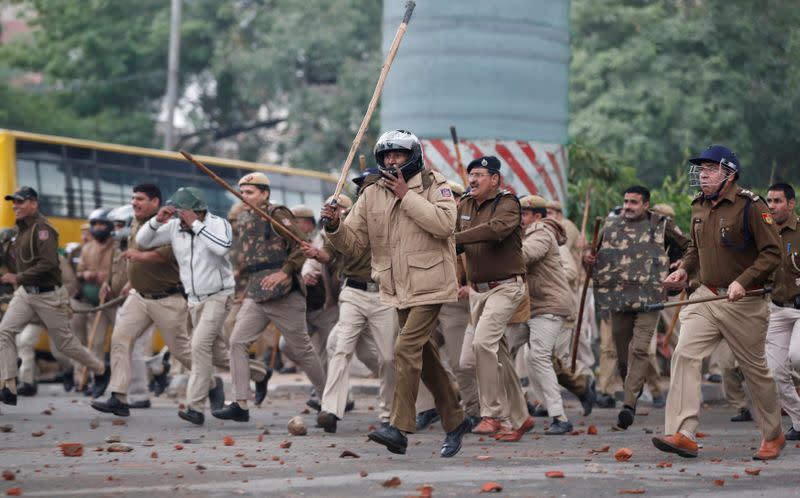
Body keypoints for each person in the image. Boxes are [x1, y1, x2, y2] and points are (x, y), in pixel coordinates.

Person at [320, 129, 471, 457]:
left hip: (430, 284)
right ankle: (456, 419)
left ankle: (399, 428)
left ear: (413, 155)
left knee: (404, 349)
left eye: (398, 154)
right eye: (387, 155)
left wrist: (406, 194)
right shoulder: (371, 191)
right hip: (396, 286)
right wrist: (334, 226)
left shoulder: (434, 183)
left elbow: (446, 225)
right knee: (425, 356)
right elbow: (355, 243)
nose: (391, 160)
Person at [653, 145, 784, 460]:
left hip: (745, 300)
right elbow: (696, 249)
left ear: (729, 174)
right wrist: (683, 269)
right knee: (684, 354)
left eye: (710, 169)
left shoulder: (751, 206)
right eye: (701, 169)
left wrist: (743, 280)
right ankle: (683, 433)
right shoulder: (699, 206)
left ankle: (773, 434)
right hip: (705, 295)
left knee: (756, 371)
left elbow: (772, 253)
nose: (702, 174)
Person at [213, 172, 323, 423]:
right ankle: (241, 403)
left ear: (265, 193)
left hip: (285, 293)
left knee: (302, 349)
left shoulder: (277, 214)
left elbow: (301, 245)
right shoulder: (244, 217)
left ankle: (331, 399)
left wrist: (285, 273)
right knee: (237, 342)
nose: (244, 196)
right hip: (256, 290)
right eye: (242, 191)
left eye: (250, 192)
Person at [91, 184, 202, 418]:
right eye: (133, 198)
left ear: (155, 202)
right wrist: (132, 281)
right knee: (120, 339)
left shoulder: (170, 222)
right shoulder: (134, 221)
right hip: (139, 297)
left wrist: (140, 256)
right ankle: (118, 396)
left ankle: (210, 382)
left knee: (181, 351)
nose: (134, 202)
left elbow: (168, 255)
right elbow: (132, 255)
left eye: (140, 199)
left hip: (167, 299)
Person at [586, 186, 689, 430]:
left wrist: (680, 264)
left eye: (634, 202)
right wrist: (586, 260)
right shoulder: (610, 226)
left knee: (641, 349)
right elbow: (593, 257)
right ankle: (632, 383)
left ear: (646, 205)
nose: (628, 206)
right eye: (626, 201)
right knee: (622, 355)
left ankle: (629, 404)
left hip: (650, 297)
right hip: (618, 298)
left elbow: (688, 247)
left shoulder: (662, 224)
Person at [0, 187, 109, 406]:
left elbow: (48, 264)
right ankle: (9, 385)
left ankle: (100, 369)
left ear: (34, 204)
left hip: (48, 295)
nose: (15, 206)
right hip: (25, 293)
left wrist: (18, 276)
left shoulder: (44, 230)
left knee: (65, 345)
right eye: (14, 202)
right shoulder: (19, 230)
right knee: (5, 332)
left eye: (20, 202)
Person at [135, 187, 235, 425]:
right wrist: (157, 221)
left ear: (196, 211)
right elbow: (142, 242)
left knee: (198, 346)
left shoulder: (218, 224)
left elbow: (222, 248)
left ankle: (195, 407)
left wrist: (197, 227)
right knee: (220, 355)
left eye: (182, 211)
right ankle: (260, 374)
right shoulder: (173, 228)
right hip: (194, 300)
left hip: (219, 296)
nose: (178, 216)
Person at [302, 190, 398, 433]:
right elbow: (327, 254)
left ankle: (392, 411)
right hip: (353, 293)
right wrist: (316, 253)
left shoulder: (391, 219)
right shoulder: (339, 227)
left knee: (386, 358)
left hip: (384, 295)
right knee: (339, 347)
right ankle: (331, 409)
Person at [454, 156, 533, 442]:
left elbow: (495, 230)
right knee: (498, 355)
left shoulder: (508, 203)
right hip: (478, 291)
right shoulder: (463, 205)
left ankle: (492, 413)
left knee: (481, 343)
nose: (472, 179)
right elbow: (453, 244)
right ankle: (521, 418)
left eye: (479, 174)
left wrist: (458, 237)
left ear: (495, 179)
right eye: (470, 174)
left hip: (506, 288)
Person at [519, 195, 589, 434]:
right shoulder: (525, 232)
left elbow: (524, 255)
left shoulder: (541, 232)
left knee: (539, 356)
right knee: (505, 349)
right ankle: (512, 411)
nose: (519, 218)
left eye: (524, 214)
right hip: (532, 306)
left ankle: (560, 416)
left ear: (537, 216)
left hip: (550, 305)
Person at [764, 182, 800, 441]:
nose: (772, 206)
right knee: (775, 373)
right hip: (776, 309)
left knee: (796, 358)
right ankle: (799, 422)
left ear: (791, 203)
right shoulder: (763, 232)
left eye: (777, 201)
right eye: (769, 201)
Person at [71, 208, 117, 396]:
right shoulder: (87, 248)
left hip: (115, 301)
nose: (98, 228)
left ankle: (121, 385)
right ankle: (96, 381)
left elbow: (123, 270)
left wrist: (106, 277)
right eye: (95, 224)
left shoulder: (117, 247)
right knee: (95, 343)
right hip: (96, 303)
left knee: (122, 342)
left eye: (102, 224)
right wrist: (86, 274)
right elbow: (79, 271)